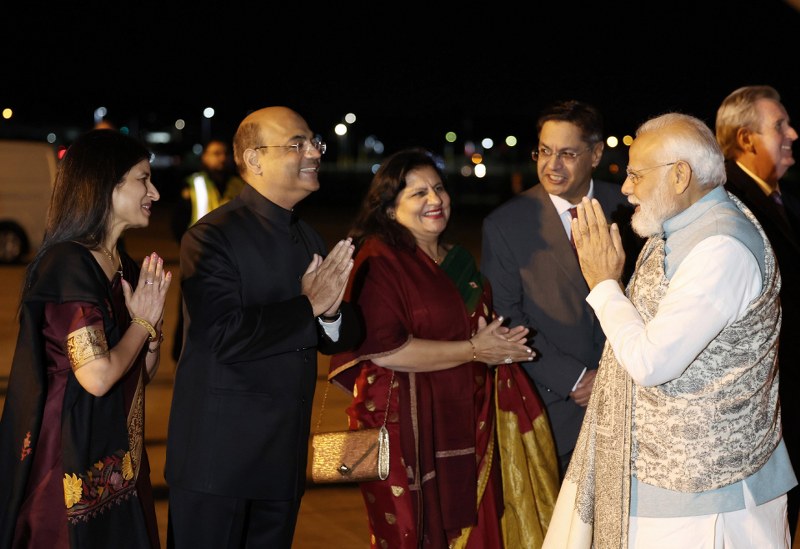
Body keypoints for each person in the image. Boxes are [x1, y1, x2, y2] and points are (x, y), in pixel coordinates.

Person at [544, 112, 797, 548]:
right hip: (672, 491)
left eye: (636, 175)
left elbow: (651, 362)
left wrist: (605, 285)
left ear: (680, 175)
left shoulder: (720, 248)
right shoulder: (682, 228)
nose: (625, 187)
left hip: (709, 499)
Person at [329, 148, 560, 549]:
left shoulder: (458, 262)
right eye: (417, 193)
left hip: (471, 421)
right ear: (388, 208)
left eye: (438, 188)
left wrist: (502, 348)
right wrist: (474, 350)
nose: (435, 200)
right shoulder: (378, 261)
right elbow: (385, 352)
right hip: (403, 432)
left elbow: (477, 333)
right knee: (412, 534)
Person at [164, 106, 362, 548]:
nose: (313, 151)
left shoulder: (308, 237)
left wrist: (329, 314)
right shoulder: (211, 236)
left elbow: (335, 335)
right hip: (219, 462)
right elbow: (222, 335)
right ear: (253, 159)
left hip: (282, 459)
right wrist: (309, 305)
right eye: (297, 144)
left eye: (314, 142)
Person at [0, 128, 172, 548]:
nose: (155, 192)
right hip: (70, 461)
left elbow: (142, 372)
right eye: (143, 178)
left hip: (120, 460)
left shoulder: (124, 265)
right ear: (105, 185)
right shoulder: (69, 265)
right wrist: (142, 325)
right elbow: (96, 375)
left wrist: (149, 337)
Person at [480, 99, 643, 476]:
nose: (552, 166)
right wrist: (575, 379)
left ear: (596, 153)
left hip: (631, 400)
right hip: (555, 410)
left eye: (567, 153)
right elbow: (506, 318)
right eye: (545, 151)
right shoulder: (505, 224)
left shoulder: (631, 209)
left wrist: (613, 374)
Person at [715, 84, 800, 539]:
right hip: (765, 404)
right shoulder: (732, 206)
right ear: (745, 139)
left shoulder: (779, 200)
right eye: (779, 125)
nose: (792, 133)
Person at [170, 138, 245, 361]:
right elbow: (178, 223)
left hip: (232, 263)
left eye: (223, 153)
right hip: (198, 261)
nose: (220, 158)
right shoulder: (193, 184)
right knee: (188, 313)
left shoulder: (240, 186)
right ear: (204, 158)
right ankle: (181, 358)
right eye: (214, 153)